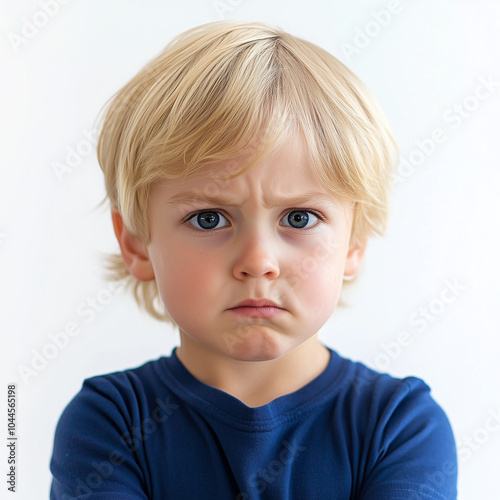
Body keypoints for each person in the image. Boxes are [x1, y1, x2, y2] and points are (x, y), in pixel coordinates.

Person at [49, 20, 457, 499]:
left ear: (354, 244)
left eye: (300, 218)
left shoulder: (400, 426)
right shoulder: (109, 423)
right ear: (137, 243)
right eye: (208, 219)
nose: (259, 261)